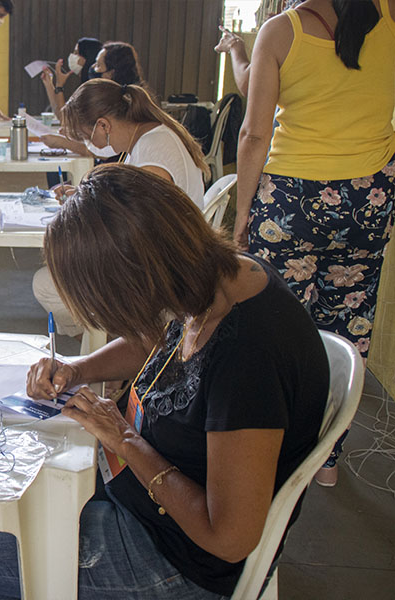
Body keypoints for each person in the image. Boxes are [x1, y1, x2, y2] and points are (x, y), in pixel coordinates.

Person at [0, 164, 329, 599]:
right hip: (137, 498)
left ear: (138, 281)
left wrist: (126, 441)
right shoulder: (213, 277)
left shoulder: (247, 359)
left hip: (175, 556)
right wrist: (77, 369)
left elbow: (228, 539)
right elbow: (156, 339)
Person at [236, 0, 395, 487]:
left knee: (278, 329)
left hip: (292, 203)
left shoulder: (281, 31)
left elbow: (253, 132)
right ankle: (326, 461)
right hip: (369, 196)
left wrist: (241, 215)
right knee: (349, 326)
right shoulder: (387, 14)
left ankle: (274, 456)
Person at [34, 79, 210, 338]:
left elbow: (136, 234)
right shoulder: (148, 139)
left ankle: (113, 341)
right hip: (163, 260)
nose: (88, 143)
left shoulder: (153, 152)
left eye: (86, 136)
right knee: (59, 273)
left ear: (103, 125)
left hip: (163, 274)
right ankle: (110, 341)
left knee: (48, 284)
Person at [39, 40, 150, 158]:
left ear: (110, 73)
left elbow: (106, 152)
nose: (93, 67)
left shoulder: (115, 104)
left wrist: (64, 142)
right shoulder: (108, 96)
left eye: (98, 65)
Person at [39, 37, 103, 121]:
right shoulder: (84, 86)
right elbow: (59, 113)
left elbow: (65, 120)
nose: (72, 56)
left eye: (76, 53)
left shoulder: (93, 88)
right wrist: (49, 84)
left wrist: (59, 85)